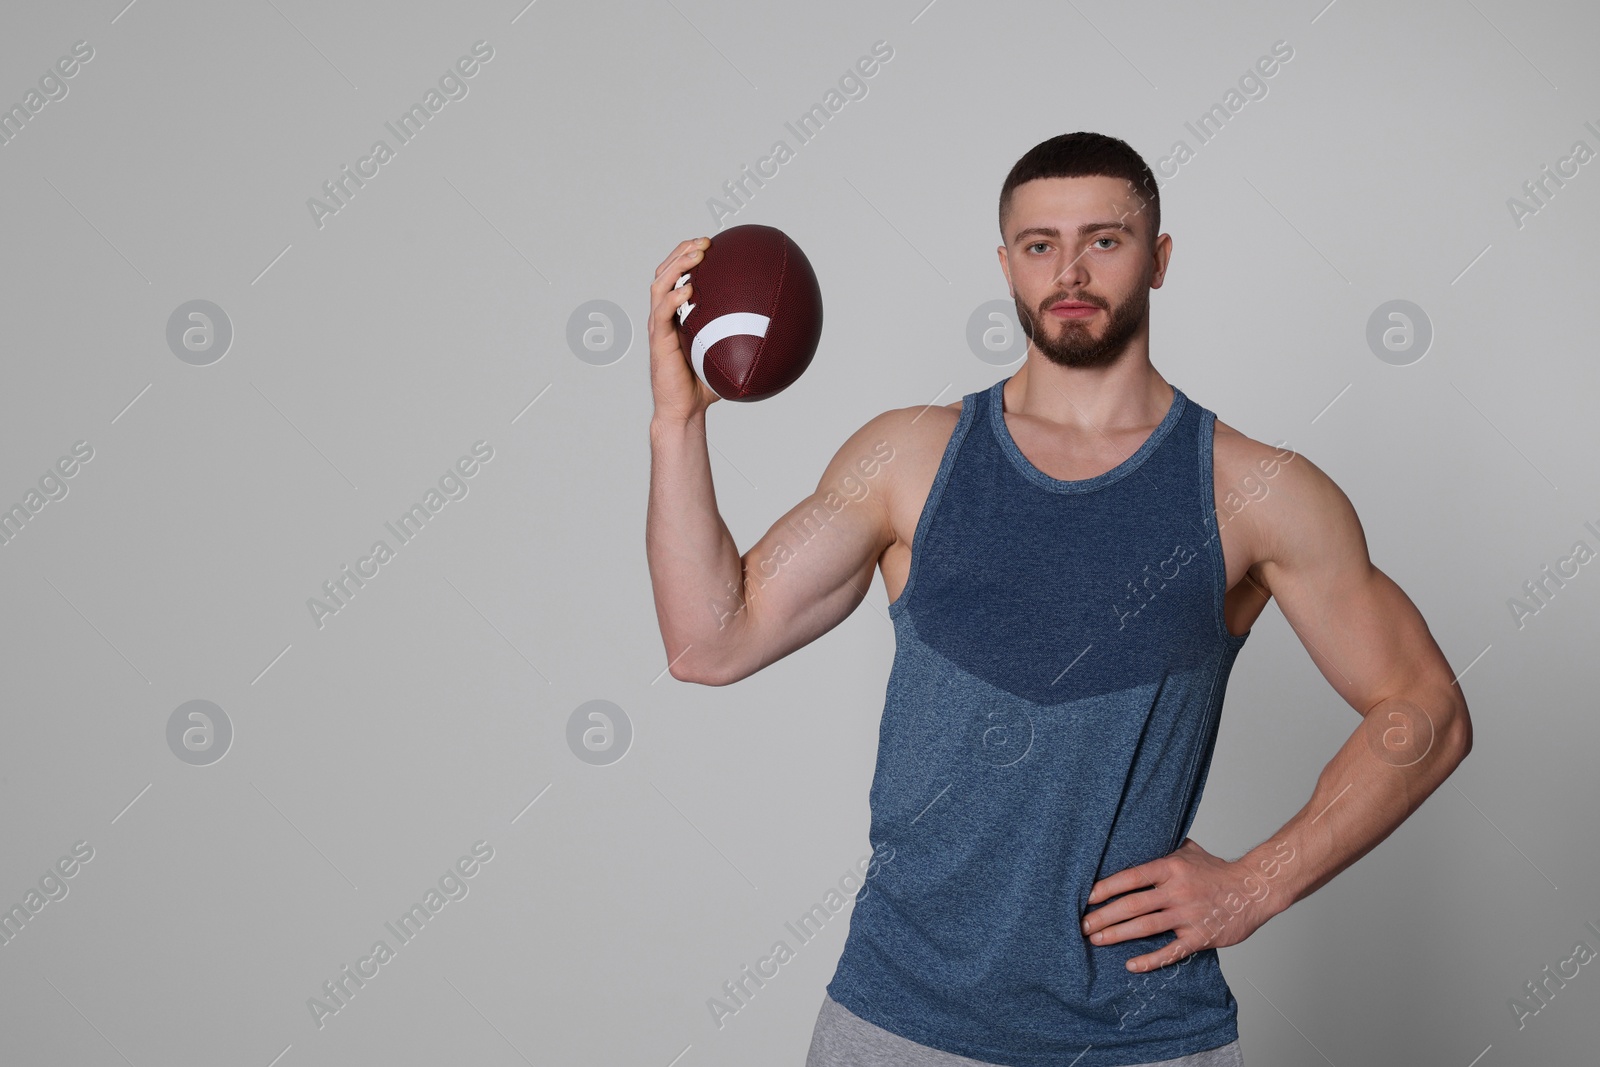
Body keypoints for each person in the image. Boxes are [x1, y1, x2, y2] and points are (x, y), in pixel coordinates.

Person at [644, 131, 1472, 1067]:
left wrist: (1255, 885)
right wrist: (676, 424)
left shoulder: (1253, 492)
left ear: (1158, 260)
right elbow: (707, 642)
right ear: (1006, 265)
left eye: (1104, 240)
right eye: (1039, 244)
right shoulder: (909, 459)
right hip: (902, 1019)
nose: (1069, 269)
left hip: (1145, 1036)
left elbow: (1426, 709)